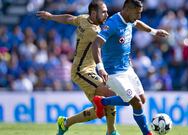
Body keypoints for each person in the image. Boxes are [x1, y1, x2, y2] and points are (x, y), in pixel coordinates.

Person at [36, 1, 120, 135]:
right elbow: (108, 46)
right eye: (103, 12)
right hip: (81, 71)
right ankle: (112, 132)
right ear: (93, 13)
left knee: (103, 108)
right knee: (110, 93)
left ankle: (65, 123)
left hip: (89, 71)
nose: (107, 14)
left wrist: (51, 16)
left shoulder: (83, 19)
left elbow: (69, 18)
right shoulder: (93, 30)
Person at [91, 0, 169, 135]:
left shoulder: (130, 19)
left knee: (140, 99)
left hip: (127, 68)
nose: (139, 16)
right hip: (113, 72)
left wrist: (154, 32)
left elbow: (137, 23)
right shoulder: (112, 24)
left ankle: (102, 102)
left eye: (140, 13)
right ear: (126, 9)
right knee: (136, 103)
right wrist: (100, 68)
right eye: (137, 13)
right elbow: (96, 45)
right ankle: (147, 133)